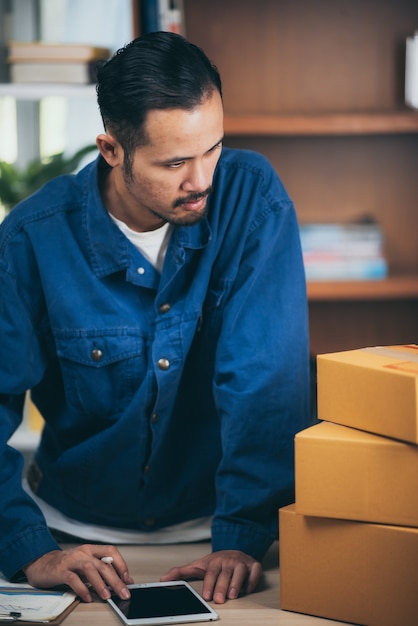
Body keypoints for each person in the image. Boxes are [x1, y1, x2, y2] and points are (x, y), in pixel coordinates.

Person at [0, 32, 310, 605]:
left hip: (229, 540)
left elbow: (266, 380)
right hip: (74, 537)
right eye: (174, 163)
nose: (202, 181)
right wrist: (27, 547)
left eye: (213, 149)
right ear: (112, 149)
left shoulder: (253, 198)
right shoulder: (28, 240)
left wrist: (242, 533)